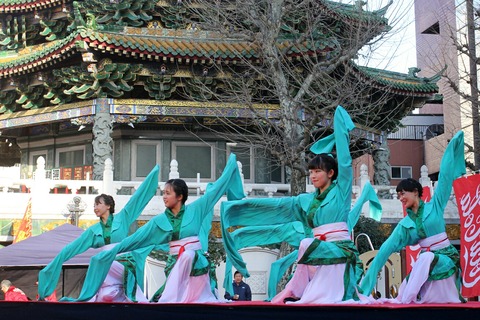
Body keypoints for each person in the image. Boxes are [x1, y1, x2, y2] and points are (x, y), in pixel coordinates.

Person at [221, 106, 381, 304]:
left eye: (317, 172)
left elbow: (346, 164)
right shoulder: (306, 201)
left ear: (331, 173)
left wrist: (340, 127)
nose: (312, 175)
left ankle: (294, 290)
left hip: (338, 250)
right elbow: (279, 206)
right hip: (317, 253)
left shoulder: (341, 192)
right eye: (311, 171)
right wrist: (240, 209)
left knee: (306, 245)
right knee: (306, 247)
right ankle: (294, 291)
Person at [61, 153, 245, 303]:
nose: (164, 197)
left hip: (195, 266)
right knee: (102, 265)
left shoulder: (197, 209)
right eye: (163, 193)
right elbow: (136, 239)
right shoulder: (158, 221)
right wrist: (113, 250)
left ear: (179, 196)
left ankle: (169, 300)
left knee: (191, 271)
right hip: (174, 266)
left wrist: (230, 167)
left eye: (167, 193)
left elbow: (215, 191)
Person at [359, 130, 466, 304]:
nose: (400, 198)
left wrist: (452, 147)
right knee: (423, 262)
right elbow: (385, 251)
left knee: (425, 258)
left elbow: (445, 176)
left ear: (416, 192)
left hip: (445, 259)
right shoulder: (405, 225)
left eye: (403, 193)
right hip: (426, 267)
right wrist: (365, 285)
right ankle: (405, 300)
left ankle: (406, 299)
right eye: (398, 195)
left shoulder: (435, 205)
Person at [38, 164, 159, 301]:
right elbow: (72, 248)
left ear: (108, 206)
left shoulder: (123, 218)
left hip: (121, 261)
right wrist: (56, 261)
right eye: (94, 205)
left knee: (98, 261)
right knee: (104, 295)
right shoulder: (93, 231)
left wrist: (152, 176)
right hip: (105, 268)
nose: (95, 207)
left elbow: (136, 200)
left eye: (98, 204)